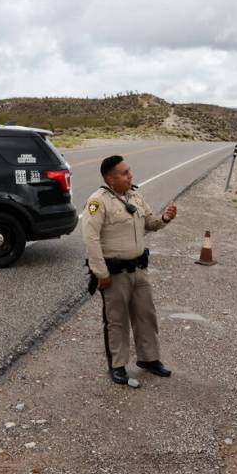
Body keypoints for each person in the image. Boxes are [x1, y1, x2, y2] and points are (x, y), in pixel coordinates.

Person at [83, 155, 178, 386]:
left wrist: (165, 218)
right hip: (114, 274)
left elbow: (150, 223)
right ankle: (117, 365)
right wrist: (101, 273)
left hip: (139, 270)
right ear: (110, 178)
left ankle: (149, 359)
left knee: (146, 315)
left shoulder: (135, 196)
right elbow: (90, 238)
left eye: (129, 171)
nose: (130, 176)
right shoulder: (98, 202)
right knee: (116, 321)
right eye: (124, 173)